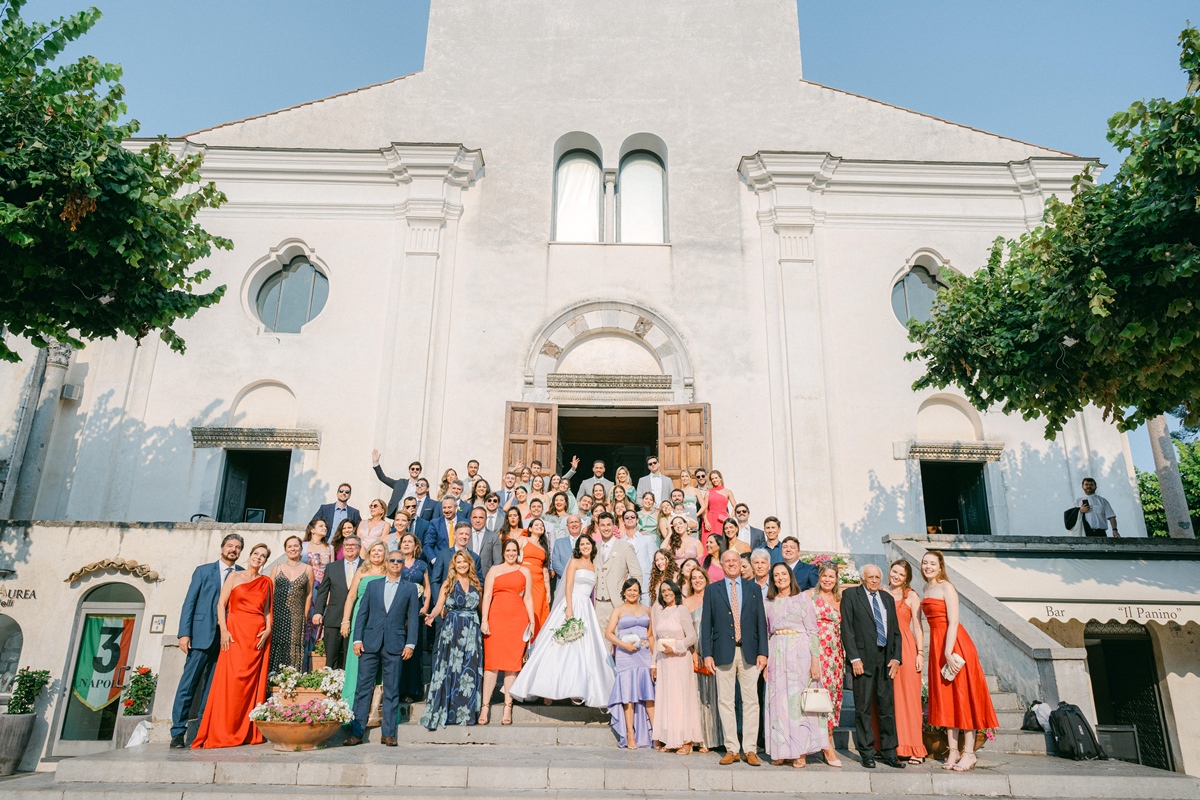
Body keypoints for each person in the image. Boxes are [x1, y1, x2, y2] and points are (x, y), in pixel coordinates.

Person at [512, 534, 616, 708]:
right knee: (560, 646)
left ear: (592, 546)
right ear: (578, 547)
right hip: (573, 602)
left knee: (583, 649)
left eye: (587, 544)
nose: (584, 546)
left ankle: (579, 689)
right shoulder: (574, 562)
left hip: (587, 607)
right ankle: (547, 690)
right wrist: (569, 608)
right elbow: (568, 586)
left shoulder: (593, 564)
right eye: (581, 544)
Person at [921, 550, 998, 772]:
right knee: (947, 699)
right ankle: (953, 750)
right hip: (938, 645)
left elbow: (953, 622)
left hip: (953, 644)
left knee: (963, 696)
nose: (928, 566)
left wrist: (946, 651)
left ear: (940, 565)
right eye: (925, 563)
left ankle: (970, 752)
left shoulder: (947, 587)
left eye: (932, 563)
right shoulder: (926, 589)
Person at [191, 542, 272, 749]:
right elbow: (221, 604)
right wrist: (224, 630)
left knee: (250, 685)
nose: (258, 558)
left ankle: (246, 731)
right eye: (256, 554)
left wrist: (269, 629)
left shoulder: (266, 582)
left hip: (256, 637)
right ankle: (223, 729)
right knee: (231, 681)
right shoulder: (234, 576)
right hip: (235, 634)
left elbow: (267, 611)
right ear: (249, 555)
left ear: (265, 561)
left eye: (263, 556)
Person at [170, 534, 244, 748]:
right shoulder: (203, 571)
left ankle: (203, 730)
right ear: (222, 548)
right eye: (230, 546)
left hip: (225, 639)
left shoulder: (241, 574)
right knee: (188, 684)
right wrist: (184, 633)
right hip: (201, 636)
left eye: (238, 547)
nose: (233, 550)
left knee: (212, 688)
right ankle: (177, 732)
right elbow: (189, 603)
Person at [342, 550, 420, 747]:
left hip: (395, 644)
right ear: (387, 562)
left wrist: (410, 643)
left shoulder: (409, 588)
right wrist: (357, 639)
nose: (395, 563)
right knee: (362, 689)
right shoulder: (373, 585)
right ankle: (357, 732)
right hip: (370, 643)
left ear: (403, 564)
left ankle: (388, 733)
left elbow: (412, 618)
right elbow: (362, 614)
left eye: (399, 561)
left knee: (392, 690)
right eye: (392, 560)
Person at [700, 548, 769, 766]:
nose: (731, 564)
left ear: (741, 564)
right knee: (725, 701)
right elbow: (706, 625)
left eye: (735, 561)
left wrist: (763, 652)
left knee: (751, 702)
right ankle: (732, 748)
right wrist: (707, 654)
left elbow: (761, 622)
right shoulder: (712, 590)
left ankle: (750, 749)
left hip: (749, 651)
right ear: (721, 564)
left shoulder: (754, 589)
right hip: (723, 652)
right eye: (727, 561)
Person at [841, 564, 905, 770]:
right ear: (862, 579)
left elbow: (895, 631)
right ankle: (867, 752)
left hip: (885, 659)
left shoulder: (886, 598)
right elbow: (847, 629)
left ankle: (889, 752)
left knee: (887, 707)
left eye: (878, 577)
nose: (875, 580)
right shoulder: (851, 595)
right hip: (863, 659)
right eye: (871, 577)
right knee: (863, 708)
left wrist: (896, 657)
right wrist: (854, 658)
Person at [763, 562, 826, 768]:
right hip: (776, 653)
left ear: (790, 576)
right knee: (778, 702)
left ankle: (800, 751)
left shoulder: (802, 599)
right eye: (776, 575)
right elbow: (766, 632)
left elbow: (813, 631)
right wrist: (764, 663)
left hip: (800, 653)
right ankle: (781, 750)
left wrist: (815, 661)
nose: (780, 577)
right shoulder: (768, 602)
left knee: (797, 703)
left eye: (784, 573)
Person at [422, 549, 484, 730]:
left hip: (472, 631)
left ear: (469, 564)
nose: (462, 565)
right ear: (454, 565)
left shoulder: (476, 582)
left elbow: (481, 608)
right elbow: (438, 606)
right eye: (458, 562)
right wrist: (432, 616)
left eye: (464, 562)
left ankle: (465, 713)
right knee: (452, 669)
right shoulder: (448, 582)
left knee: (468, 671)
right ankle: (448, 711)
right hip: (453, 629)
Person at [479, 539, 536, 725]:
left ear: (518, 552)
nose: (511, 553)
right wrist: (485, 620)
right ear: (503, 552)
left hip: (517, 620)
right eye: (508, 550)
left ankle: (507, 706)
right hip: (496, 618)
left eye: (514, 550)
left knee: (512, 665)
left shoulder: (524, 571)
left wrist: (532, 620)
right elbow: (486, 595)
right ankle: (484, 707)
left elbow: (527, 597)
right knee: (492, 664)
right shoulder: (494, 570)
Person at [651, 579, 703, 754]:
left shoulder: (682, 610)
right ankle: (671, 739)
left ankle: (686, 741)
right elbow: (657, 639)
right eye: (663, 591)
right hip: (664, 662)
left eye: (669, 590)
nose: (666, 593)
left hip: (679, 659)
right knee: (667, 699)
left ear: (675, 591)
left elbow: (691, 637)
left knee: (681, 698)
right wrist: (654, 664)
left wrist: (675, 648)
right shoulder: (661, 612)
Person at [339, 542, 389, 717]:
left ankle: (375, 710)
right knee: (356, 662)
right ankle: (351, 707)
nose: (376, 553)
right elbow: (351, 596)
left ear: (385, 554)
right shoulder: (361, 571)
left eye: (380, 551)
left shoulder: (388, 571)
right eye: (373, 551)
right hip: (361, 619)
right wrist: (345, 621)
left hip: (381, 619)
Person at [605, 578, 655, 749]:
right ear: (624, 592)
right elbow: (609, 633)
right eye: (629, 590)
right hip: (626, 655)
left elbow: (650, 635)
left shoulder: (646, 610)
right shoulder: (618, 610)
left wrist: (653, 654)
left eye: (635, 590)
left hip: (644, 655)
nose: (632, 593)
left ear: (639, 592)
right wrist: (624, 645)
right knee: (628, 695)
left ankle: (656, 734)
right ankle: (630, 733)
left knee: (648, 693)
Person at [888, 559, 928, 764]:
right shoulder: (882, 593)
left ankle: (914, 747)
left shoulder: (911, 596)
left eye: (901, 575)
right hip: (885, 649)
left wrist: (920, 653)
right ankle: (891, 745)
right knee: (889, 700)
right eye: (894, 571)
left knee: (909, 699)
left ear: (906, 578)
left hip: (905, 647)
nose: (896, 576)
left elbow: (918, 626)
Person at [808, 561, 844, 767]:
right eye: (824, 576)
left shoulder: (840, 599)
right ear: (819, 577)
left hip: (836, 655)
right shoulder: (810, 596)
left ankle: (828, 736)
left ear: (837, 579)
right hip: (816, 652)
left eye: (832, 576)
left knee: (833, 696)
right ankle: (825, 744)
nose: (828, 580)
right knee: (818, 696)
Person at [682, 566, 721, 753]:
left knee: (714, 695)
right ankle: (700, 739)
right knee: (698, 695)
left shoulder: (714, 598)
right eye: (694, 578)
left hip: (714, 652)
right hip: (695, 652)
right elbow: (683, 631)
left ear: (706, 579)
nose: (697, 580)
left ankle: (713, 738)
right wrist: (692, 652)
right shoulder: (686, 603)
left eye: (700, 577)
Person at [312, 536, 361, 670]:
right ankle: (330, 685)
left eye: (353, 545)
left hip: (357, 618)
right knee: (331, 658)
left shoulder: (366, 566)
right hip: (334, 618)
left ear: (360, 548)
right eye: (347, 545)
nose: (349, 547)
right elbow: (323, 591)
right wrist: (318, 612)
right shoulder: (332, 567)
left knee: (350, 657)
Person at [267, 534, 314, 675]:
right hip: (277, 613)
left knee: (293, 647)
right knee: (275, 644)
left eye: (296, 546)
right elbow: (269, 592)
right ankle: (271, 680)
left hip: (297, 616)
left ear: (301, 548)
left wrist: (304, 616)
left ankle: (290, 680)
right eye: (289, 546)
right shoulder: (277, 568)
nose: (293, 548)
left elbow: (309, 594)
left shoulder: (308, 569)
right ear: (285, 550)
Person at [394, 532, 431, 702]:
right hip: (398, 609)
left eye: (410, 542)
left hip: (416, 608)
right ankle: (397, 688)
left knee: (414, 649)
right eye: (404, 541)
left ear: (416, 546)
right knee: (398, 648)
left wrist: (425, 605)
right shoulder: (395, 562)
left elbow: (427, 587)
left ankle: (412, 690)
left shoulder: (422, 565)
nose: (407, 544)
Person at [592, 512, 644, 630]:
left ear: (614, 526)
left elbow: (637, 575)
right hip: (598, 605)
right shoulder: (595, 549)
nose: (606, 528)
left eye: (609, 525)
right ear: (598, 527)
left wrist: (630, 598)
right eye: (603, 525)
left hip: (618, 603)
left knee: (620, 641)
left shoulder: (625, 547)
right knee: (602, 645)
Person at [520, 518, 552, 635]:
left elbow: (545, 569)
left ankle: (535, 641)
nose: (540, 526)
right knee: (523, 610)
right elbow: (511, 555)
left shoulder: (544, 546)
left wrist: (548, 590)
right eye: (536, 524)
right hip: (523, 579)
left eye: (542, 525)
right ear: (530, 528)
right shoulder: (523, 540)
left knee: (537, 610)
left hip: (538, 583)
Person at [622, 509, 657, 605]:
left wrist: (653, 582)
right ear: (623, 521)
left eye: (633, 517)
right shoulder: (620, 542)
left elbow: (653, 561)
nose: (630, 519)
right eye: (627, 517)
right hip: (628, 584)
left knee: (646, 615)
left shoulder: (647, 539)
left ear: (637, 520)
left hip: (646, 583)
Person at [371, 452, 422, 517]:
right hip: (400, 514)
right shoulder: (400, 483)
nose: (415, 470)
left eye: (417, 469)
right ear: (409, 470)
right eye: (412, 469)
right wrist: (376, 463)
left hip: (415, 515)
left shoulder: (422, 486)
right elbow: (383, 478)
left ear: (420, 471)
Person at [464, 508, 500, 578]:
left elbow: (497, 560)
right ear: (470, 518)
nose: (477, 520)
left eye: (481, 517)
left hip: (486, 577)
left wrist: (491, 576)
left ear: (486, 519)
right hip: (466, 577)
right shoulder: (464, 535)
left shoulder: (493, 537)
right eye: (475, 517)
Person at [702, 470, 735, 545]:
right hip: (710, 519)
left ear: (720, 478)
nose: (714, 480)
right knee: (709, 540)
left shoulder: (728, 492)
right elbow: (705, 509)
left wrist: (730, 518)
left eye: (716, 478)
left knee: (722, 541)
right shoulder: (708, 492)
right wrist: (706, 521)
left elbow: (735, 506)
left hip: (723, 520)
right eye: (712, 479)